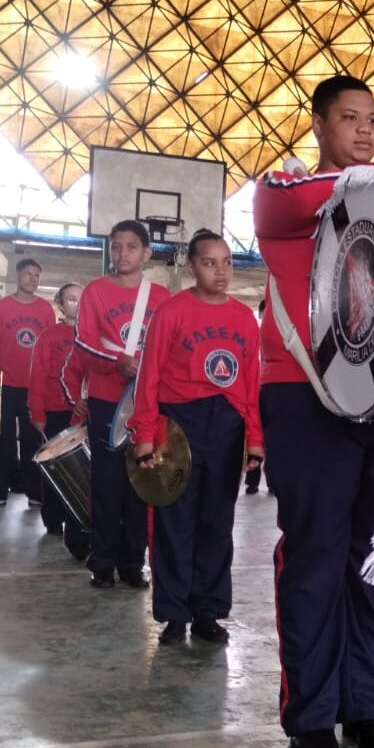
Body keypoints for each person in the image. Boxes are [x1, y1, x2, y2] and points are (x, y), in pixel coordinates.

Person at [255, 75, 374, 748]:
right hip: (304, 395)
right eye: (350, 118)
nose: (367, 130)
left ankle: (366, 705)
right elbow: (310, 197)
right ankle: (310, 712)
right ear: (318, 125)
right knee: (315, 554)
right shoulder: (284, 192)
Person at [131, 230, 263, 646]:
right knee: (174, 522)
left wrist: (255, 440)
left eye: (227, 262)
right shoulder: (171, 312)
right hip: (179, 423)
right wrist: (145, 434)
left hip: (226, 426)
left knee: (217, 523)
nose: (220, 271)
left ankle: (207, 610)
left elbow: (253, 383)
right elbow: (148, 377)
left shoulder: (244, 318)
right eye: (209, 263)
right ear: (190, 267)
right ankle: (174, 615)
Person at [71, 220, 170, 590]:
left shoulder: (160, 296)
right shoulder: (96, 292)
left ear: (146, 253)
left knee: (141, 481)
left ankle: (133, 562)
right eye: (116, 246)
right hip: (106, 397)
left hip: (147, 403)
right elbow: (82, 343)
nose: (122, 254)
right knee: (108, 483)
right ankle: (103, 561)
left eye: (130, 247)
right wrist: (117, 363)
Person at [0, 258, 56, 509]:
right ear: (18, 276)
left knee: (33, 441)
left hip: (34, 387)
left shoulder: (45, 309)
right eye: (28, 274)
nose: (32, 279)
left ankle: (34, 491)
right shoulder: (1, 308)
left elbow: (51, 350)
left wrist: (49, 386)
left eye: (37, 275)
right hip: (4, 385)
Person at [29, 283, 90, 559]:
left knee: (82, 473)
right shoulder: (50, 336)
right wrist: (37, 412)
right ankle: (52, 518)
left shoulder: (92, 335)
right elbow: (39, 375)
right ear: (61, 304)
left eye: (81, 299)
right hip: (55, 410)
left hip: (84, 413)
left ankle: (78, 518)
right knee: (55, 472)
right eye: (71, 299)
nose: (76, 304)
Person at [245, 298, 268, 496]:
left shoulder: (278, 336)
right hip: (254, 392)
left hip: (268, 391)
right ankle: (252, 479)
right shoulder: (254, 334)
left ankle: (271, 479)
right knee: (253, 437)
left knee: (268, 438)